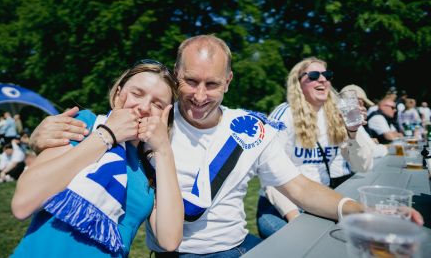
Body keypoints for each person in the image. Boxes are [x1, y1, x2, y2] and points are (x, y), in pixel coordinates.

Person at [28, 35, 423, 257]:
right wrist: (40, 135)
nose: (199, 96)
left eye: (212, 84)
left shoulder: (251, 129)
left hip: (237, 249)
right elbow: (105, 122)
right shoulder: (153, 120)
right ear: (176, 76)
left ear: (229, 81)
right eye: (190, 81)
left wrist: (361, 212)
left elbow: (299, 188)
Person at [11, 61, 183, 257]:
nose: (144, 107)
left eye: (157, 104)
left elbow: (169, 240)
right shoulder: (85, 126)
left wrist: (163, 150)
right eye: (137, 93)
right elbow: (22, 204)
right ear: (118, 94)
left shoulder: (152, 168)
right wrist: (107, 135)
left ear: (165, 116)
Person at [256, 60, 373, 238]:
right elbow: (269, 175)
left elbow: (362, 165)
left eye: (326, 76)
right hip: (281, 205)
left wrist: (353, 132)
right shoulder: (285, 114)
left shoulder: (340, 113)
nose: (322, 80)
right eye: (313, 76)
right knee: (300, 245)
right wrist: (295, 217)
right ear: (298, 83)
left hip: (321, 201)